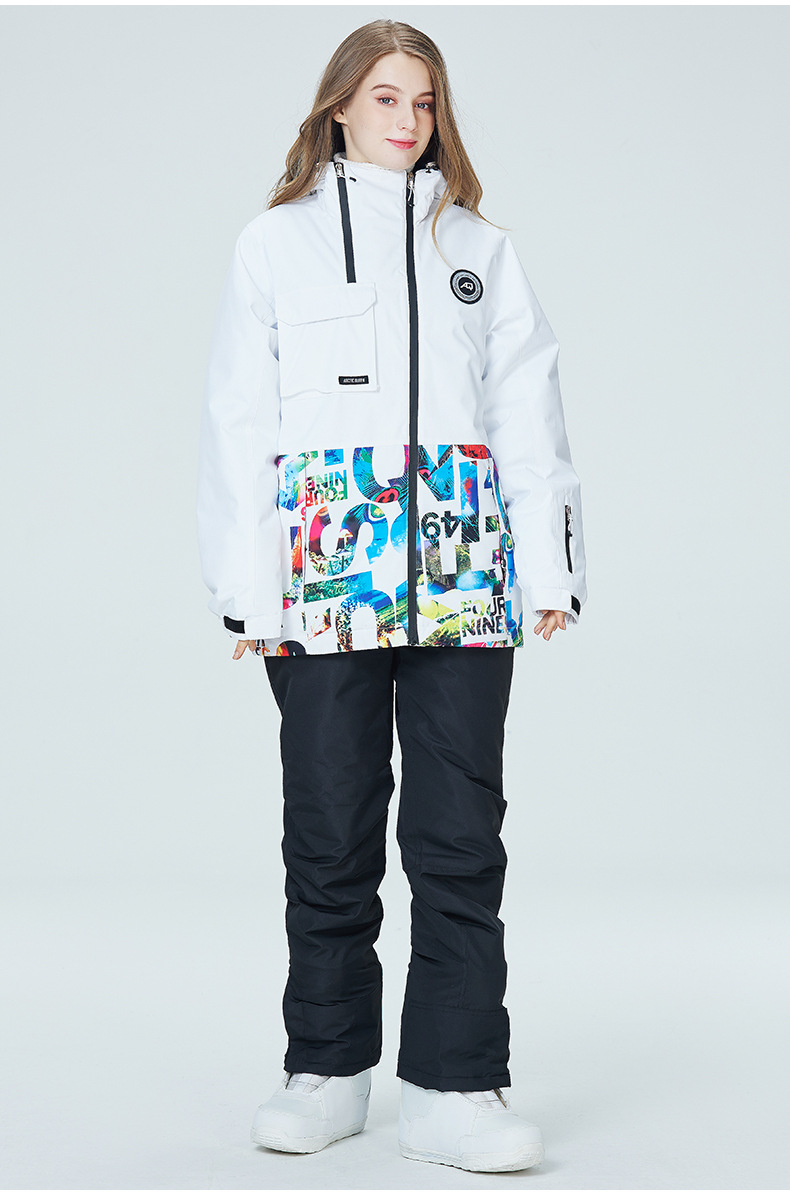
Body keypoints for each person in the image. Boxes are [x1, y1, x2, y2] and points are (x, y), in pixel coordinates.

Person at [196, 18, 587, 1175]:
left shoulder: (478, 245)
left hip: (463, 557)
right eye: (384, 97)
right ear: (338, 108)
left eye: (423, 100)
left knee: (460, 834)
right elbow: (239, 418)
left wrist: (548, 567)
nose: (408, 119)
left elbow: (527, 409)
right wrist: (247, 590)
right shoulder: (276, 242)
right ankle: (324, 1071)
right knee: (328, 827)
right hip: (325, 560)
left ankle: (456, 1085)